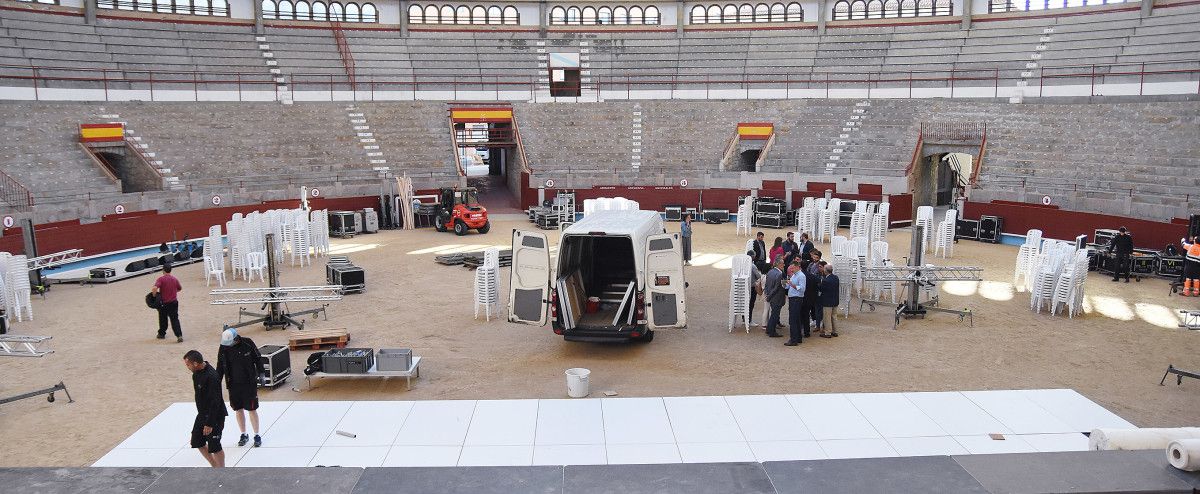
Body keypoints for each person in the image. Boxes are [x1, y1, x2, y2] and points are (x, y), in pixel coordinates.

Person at [217, 328, 265, 448]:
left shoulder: (248, 343)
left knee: (252, 409)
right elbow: (220, 365)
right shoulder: (223, 347)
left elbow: (258, 358)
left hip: (249, 384)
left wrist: (262, 373)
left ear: (236, 338)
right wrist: (216, 382)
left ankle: (257, 434)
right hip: (233, 384)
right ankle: (243, 434)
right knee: (238, 409)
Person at [184, 350, 228, 468]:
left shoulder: (212, 376)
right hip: (202, 414)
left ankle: (222, 470)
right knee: (196, 441)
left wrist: (209, 423)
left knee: (215, 446)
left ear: (195, 363)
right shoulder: (196, 374)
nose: (187, 367)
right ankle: (215, 467)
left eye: (188, 364)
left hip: (215, 416)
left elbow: (215, 402)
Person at [153, 263, 183, 342]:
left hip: (164, 304)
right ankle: (179, 335)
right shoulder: (174, 279)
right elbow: (179, 288)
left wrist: (154, 296)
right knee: (175, 319)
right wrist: (173, 291)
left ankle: (162, 334)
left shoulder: (161, 279)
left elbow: (155, 288)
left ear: (163, 270)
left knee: (163, 319)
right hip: (173, 302)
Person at [763, 258, 787, 338]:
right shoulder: (780, 274)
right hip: (777, 297)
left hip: (772, 296)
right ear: (778, 264)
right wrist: (769, 296)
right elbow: (777, 288)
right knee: (775, 315)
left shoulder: (770, 272)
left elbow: (767, 285)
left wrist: (767, 294)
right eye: (782, 263)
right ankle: (772, 332)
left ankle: (769, 329)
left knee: (773, 314)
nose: (784, 265)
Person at [784, 263, 807, 346]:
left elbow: (802, 289)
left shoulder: (801, 276)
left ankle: (793, 340)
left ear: (798, 267)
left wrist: (792, 285)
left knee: (793, 320)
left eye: (793, 268)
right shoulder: (794, 275)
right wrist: (785, 284)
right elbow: (788, 287)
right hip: (793, 299)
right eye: (791, 268)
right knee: (796, 319)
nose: (791, 270)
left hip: (796, 299)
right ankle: (798, 338)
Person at [819, 264, 840, 338]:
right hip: (835, 300)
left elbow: (821, 289)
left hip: (827, 302)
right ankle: (835, 331)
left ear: (826, 271)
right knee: (834, 316)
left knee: (827, 317)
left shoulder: (825, 280)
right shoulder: (836, 278)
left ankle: (828, 332)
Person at [745, 250, 763, 326]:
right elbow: (758, 276)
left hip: (745, 285)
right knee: (751, 303)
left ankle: (744, 318)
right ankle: (749, 320)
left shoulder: (744, 264)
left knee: (745, 302)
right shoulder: (753, 266)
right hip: (752, 287)